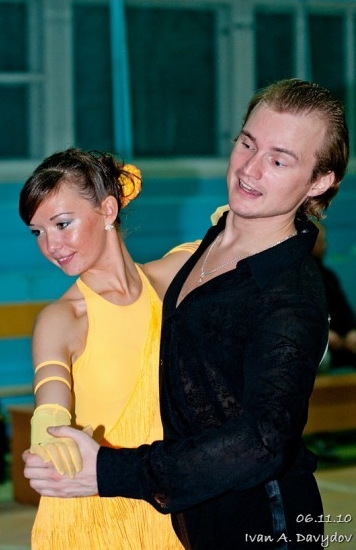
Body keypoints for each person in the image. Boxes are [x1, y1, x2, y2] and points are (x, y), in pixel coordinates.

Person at [23, 79, 349, 549]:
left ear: (318, 182)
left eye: (279, 160)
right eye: (247, 144)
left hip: (263, 525)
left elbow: (263, 440)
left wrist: (111, 471)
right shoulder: (200, 253)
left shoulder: (288, 293)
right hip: (177, 517)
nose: (250, 169)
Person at [19, 148, 199, 549]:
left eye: (62, 224)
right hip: (90, 517)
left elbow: (234, 235)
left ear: (108, 210)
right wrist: (47, 433)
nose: (51, 245)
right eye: (37, 232)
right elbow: (50, 403)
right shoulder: (63, 318)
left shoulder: (171, 278)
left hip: (167, 506)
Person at [312, 221, 356, 370]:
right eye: (320, 241)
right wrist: (323, 335)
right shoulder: (293, 278)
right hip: (316, 345)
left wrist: (352, 331)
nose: (325, 246)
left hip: (343, 341)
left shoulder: (328, 276)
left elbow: (344, 309)